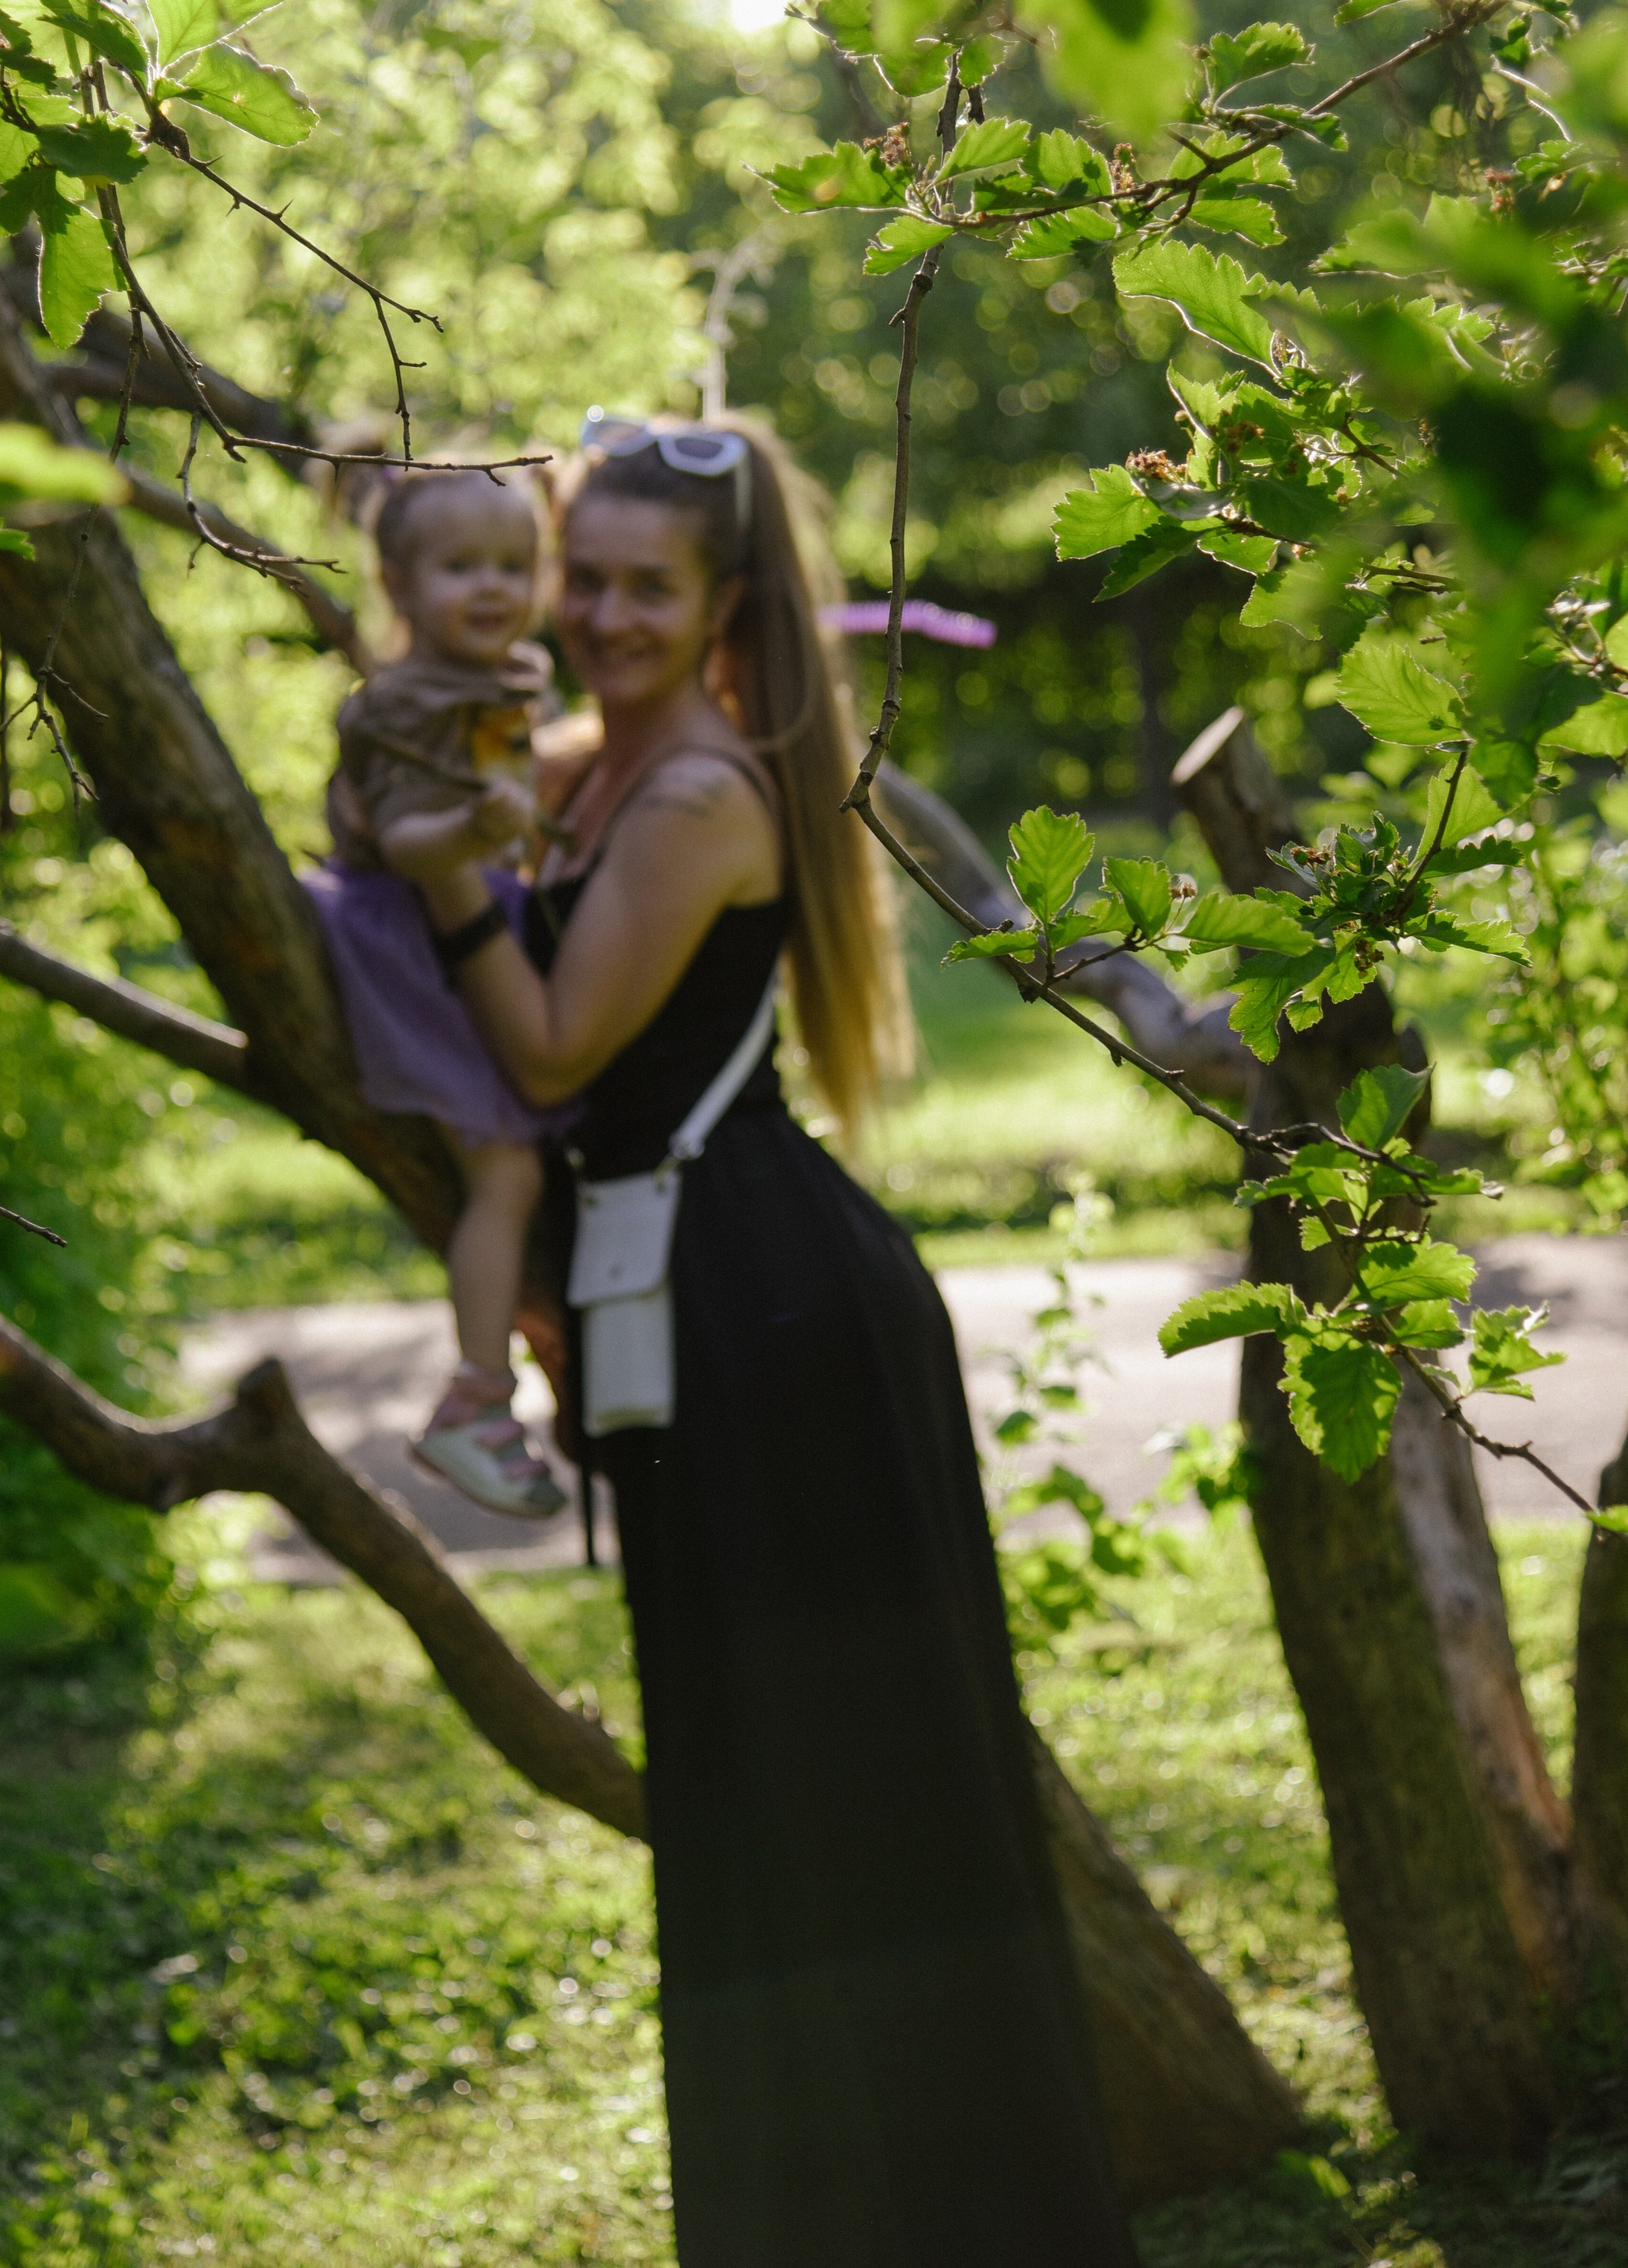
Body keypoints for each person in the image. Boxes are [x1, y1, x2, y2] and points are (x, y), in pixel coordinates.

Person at [386, 412, 1140, 2266]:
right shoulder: (580, 767)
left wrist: (439, 876)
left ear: (723, 601)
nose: (604, 615)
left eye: (648, 587)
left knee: (858, 1792)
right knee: (752, 1792)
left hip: (774, 1319)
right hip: (690, 1303)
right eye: (584, 578)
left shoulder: (699, 796)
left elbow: (551, 1042)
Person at [304, 461, 566, 1522]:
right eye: (464, 567)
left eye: (514, 565)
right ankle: (476, 1400)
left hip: (468, 921)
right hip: (413, 939)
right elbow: (410, 842)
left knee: (524, 1168)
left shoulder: (492, 681)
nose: (494, 587)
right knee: (506, 1171)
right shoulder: (399, 707)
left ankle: (505, 1385)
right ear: (398, 584)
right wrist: (474, 830)